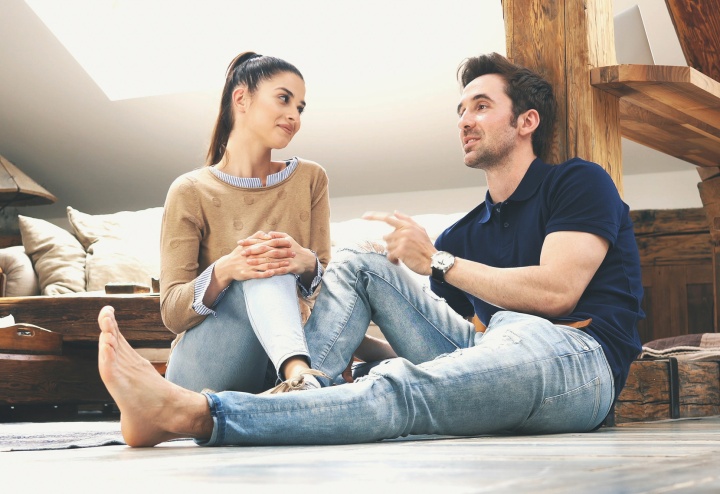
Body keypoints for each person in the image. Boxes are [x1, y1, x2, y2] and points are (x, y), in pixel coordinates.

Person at [97, 52, 644, 447]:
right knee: (360, 262)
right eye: (460, 110)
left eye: (480, 106)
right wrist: (364, 340)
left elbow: (557, 292)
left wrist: (438, 264)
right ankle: (303, 385)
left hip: (576, 358)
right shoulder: (463, 234)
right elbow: (464, 354)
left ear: (526, 122)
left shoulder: (576, 182)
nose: (464, 120)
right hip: (495, 349)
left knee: (404, 390)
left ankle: (199, 413)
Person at [161, 51, 331, 395]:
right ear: (242, 98)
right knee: (263, 260)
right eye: (284, 99)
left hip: (274, 365)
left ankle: (286, 390)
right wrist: (226, 270)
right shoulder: (190, 190)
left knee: (275, 260)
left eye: (299, 107)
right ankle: (299, 376)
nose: (293, 116)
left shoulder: (311, 179)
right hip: (206, 367)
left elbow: (335, 297)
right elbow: (172, 313)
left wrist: (308, 264)